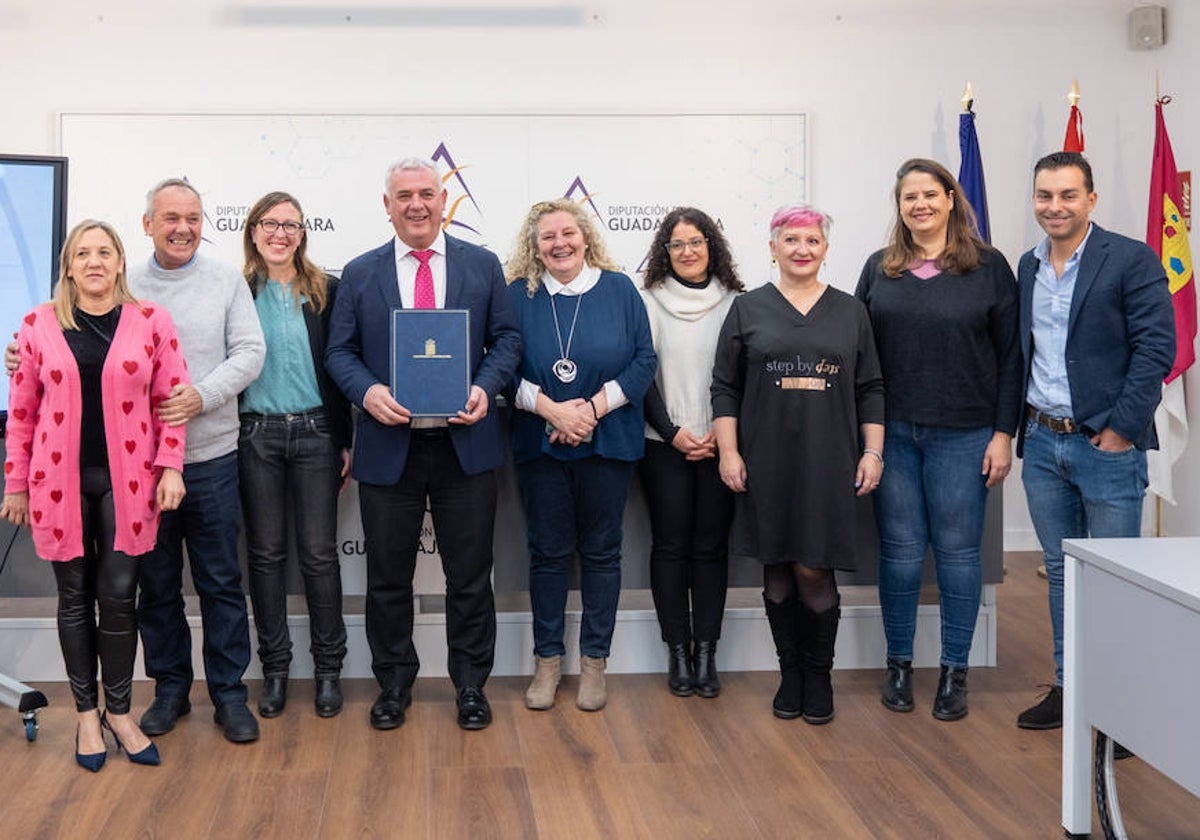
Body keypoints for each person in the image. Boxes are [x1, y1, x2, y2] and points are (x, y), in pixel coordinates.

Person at [325, 158, 521, 732]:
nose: (417, 204)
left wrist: (486, 387)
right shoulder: (359, 274)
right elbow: (339, 352)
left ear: (444, 201)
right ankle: (392, 686)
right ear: (386, 205)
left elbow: (507, 338)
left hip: (466, 444)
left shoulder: (482, 265)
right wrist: (369, 391)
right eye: (404, 195)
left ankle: (469, 686)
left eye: (427, 194)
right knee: (387, 577)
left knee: (469, 575)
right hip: (390, 446)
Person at [2, 220, 188, 770]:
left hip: (128, 482)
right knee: (73, 596)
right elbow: (22, 413)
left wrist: (170, 467)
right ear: (68, 266)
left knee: (119, 594)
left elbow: (170, 401)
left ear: (121, 262)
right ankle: (87, 714)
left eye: (104, 252)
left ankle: (121, 712)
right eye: (82, 253)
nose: (94, 262)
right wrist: (14, 483)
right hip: (57, 483)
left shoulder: (152, 321)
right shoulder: (38, 325)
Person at [855, 159, 1022, 721]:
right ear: (898, 207)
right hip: (894, 434)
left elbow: (1010, 359)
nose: (920, 204)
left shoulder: (990, 267)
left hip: (966, 433)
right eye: (909, 197)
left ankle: (956, 670)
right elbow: (860, 355)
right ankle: (898, 664)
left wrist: (1003, 434)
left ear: (952, 199)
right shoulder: (881, 269)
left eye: (931, 194)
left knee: (956, 555)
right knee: (900, 555)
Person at [1015, 151, 1175, 730]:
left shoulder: (1130, 259)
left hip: (1105, 446)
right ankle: (1070, 687)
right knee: (1061, 572)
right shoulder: (1027, 265)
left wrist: (1119, 433)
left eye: (1066, 195)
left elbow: (1158, 350)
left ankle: (1124, 708)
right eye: (1044, 196)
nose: (1054, 206)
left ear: (1091, 198)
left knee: (1114, 576)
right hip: (1042, 442)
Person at [712, 203, 884, 725]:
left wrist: (872, 451)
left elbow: (871, 386)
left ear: (825, 249)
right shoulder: (748, 308)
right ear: (773, 247)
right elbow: (724, 386)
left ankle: (819, 674)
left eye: (811, 241)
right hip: (764, 460)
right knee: (776, 570)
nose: (801, 250)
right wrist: (729, 451)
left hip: (830, 459)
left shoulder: (851, 311)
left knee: (814, 568)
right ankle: (790, 675)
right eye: (791, 240)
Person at [506, 199, 656, 712]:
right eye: (547, 237)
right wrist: (551, 411)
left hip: (608, 441)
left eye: (567, 233)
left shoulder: (618, 289)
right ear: (535, 246)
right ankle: (547, 662)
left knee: (601, 553)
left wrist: (588, 411)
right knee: (547, 555)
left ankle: (594, 663)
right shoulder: (517, 296)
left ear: (585, 237)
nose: (559, 244)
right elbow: (500, 367)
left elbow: (643, 361)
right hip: (540, 443)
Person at [133, 179, 267, 743]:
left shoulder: (225, 279)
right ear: (148, 225)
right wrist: (21, 353)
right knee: (157, 583)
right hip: (140, 464)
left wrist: (202, 396)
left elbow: (250, 352)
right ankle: (170, 690)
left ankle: (230, 694)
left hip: (211, 457)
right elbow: (80, 344)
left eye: (192, 217)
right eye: (170, 218)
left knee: (219, 580)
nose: (183, 227)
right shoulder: (124, 283)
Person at [239, 191, 351, 719]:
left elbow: (342, 367)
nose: (280, 233)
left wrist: (345, 438)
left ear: (303, 233)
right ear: (253, 230)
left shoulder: (326, 289)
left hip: (316, 434)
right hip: (254, 436)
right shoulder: (235, 291)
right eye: (270, 223)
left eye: (291, 225)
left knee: (319, 556)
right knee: (264, 557)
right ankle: (276, 670)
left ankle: (329, 671)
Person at [639, 207, 741, 698]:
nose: (687, 252)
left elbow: (743, 376)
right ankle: (676, 651)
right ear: (665, 251)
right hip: (664, 444)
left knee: (711, 549)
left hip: (725, 446)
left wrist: (723, 438)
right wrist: (673, 430)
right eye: (676, 244)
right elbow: (641, 375)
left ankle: (707, 652)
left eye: (696, 241)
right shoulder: (647, 301)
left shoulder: (738, 303)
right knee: (671, 547)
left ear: (712, 245)